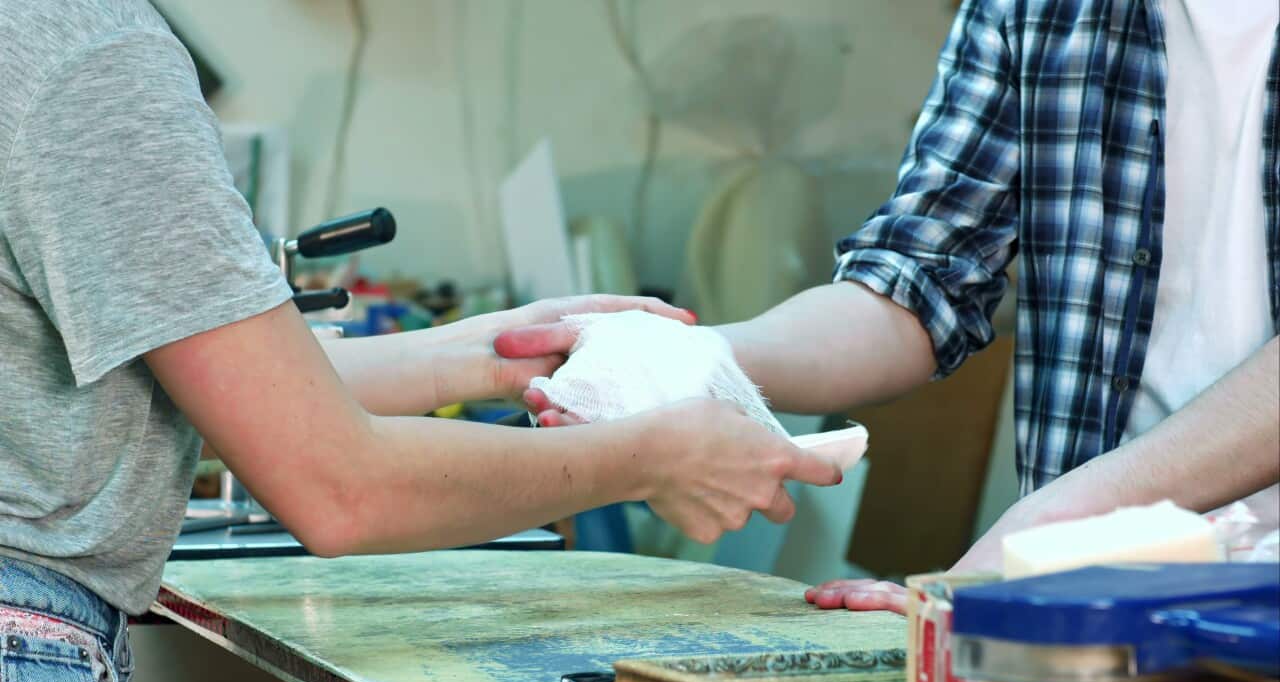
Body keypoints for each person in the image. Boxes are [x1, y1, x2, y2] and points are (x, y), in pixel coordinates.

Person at [0, 1, 843, 682]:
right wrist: (661, 457)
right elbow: (338, 487)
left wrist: (487, 353)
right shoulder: (89, 51)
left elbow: (215, 382)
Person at [511, 0, 1280, 614]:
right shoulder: (1037, 10)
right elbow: (921, 278)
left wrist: (1051, 525)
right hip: (1086, 601)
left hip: (1085, 558)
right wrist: (689, 360)